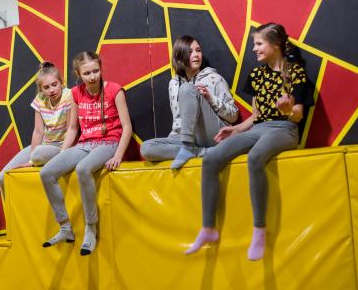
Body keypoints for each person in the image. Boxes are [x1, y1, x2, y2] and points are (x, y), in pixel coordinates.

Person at [184, 22, 312, 261]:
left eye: (259, 44)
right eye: (255, 44)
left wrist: (287, 110)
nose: (254, 49)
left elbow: (298, 115)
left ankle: (259, 229)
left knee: (255, 157)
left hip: (284, 128)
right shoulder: (256, 75)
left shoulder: (295, 72)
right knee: (211, 158)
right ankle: (208, 228)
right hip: (259, 128)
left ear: (276, 45)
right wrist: (235, 130)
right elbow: (255, 116)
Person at [39, 51, 132, 256]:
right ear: (78, 74)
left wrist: (118, 155)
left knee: (83, 169)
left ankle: (90, 227)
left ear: (101, 68)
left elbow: (127, 127)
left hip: (109, 142)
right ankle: (65, 227)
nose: (92, 76)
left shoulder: (114, 90)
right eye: (87, 73)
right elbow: (73, 128)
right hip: (85, 143)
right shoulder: (75, 93)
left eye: (95, 71)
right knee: (47, 173)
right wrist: (63, 153)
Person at [140, 35, 238, 167]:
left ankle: (188, 147)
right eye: (190, 51)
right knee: (146, 148)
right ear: (180, 56)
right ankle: (197, 151)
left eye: (198, 50)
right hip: (187, 138)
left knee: (187, 89)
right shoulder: (173, 84)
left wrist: (210, 98)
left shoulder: (214, 78)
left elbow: (233, 116)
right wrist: (171, 140)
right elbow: (178, 120)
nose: (196, 55)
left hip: (213, 135)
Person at [0, 62, 72, 195]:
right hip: (44, 145)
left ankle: (37, 157)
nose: (51, 90)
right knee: (3, 177)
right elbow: (38, 131)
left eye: (54, 84)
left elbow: (71, 129)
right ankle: (15, 209)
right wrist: (31, 160)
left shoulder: (69, 95)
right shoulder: (40, 99)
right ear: (41, 89)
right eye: (46, 87)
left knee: (38, 153)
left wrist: (62, 154)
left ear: (61, 82)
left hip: (63, 146)